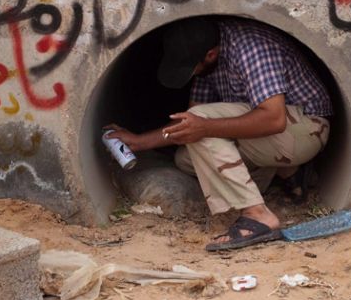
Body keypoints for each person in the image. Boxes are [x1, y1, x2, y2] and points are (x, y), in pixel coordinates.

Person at [105, 17, 332, 251]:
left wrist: (204, 127)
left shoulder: (251, 48)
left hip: (306, 129)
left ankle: (258, 215)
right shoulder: (208, 63)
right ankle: (286, 172)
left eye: (191, 67)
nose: (190, 74)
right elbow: (190, 125)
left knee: (204, 124)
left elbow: (274, 119)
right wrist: (139, 142)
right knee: (186, 158)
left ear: (211, 54)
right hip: (271, 139)